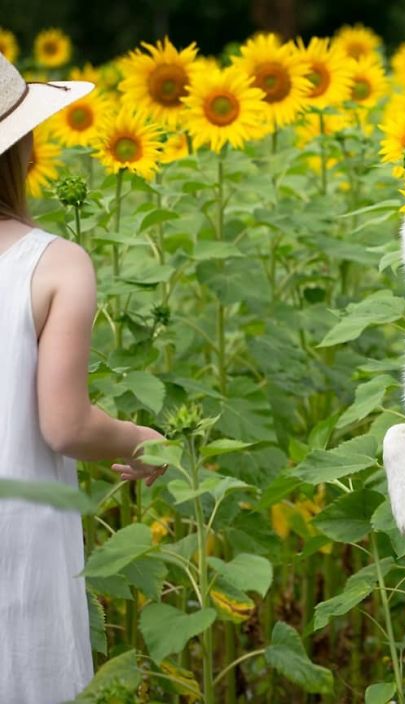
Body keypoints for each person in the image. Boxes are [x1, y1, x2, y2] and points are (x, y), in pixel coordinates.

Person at [0, 54, 166, 702]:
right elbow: (65, 426)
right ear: (25, 147)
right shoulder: (54, 265)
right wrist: (142, 440)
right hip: (17, 546)